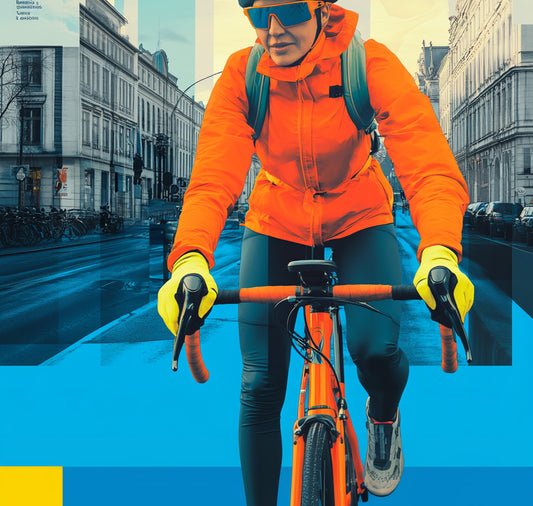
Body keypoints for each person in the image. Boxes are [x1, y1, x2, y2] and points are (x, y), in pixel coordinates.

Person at [158, 1, 475, 504]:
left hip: (358, 215)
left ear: (322, 11)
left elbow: (426, 160)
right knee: (260, 384)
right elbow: (212, 178)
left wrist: (439, 251)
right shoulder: (244, 76)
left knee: (376, 350)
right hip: (276, 217)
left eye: (288, 11)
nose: (274, 30)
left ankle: (383, 417)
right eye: (260, 16)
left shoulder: (366, 64)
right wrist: (192, 258)